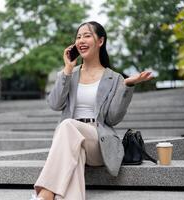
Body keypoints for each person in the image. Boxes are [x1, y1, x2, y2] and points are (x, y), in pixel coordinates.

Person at [31, 21, 153, 200]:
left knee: (67, 126)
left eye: (87, 35)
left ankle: (46, 194)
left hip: (99, 142)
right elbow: (55, 104)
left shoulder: (114, 78)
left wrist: (127, 86)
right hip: (72, 140)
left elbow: (113, 118)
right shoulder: (68, 74)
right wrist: (67, 69)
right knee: (74, 144)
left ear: (100, 41)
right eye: (78, 37)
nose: (81, 40)